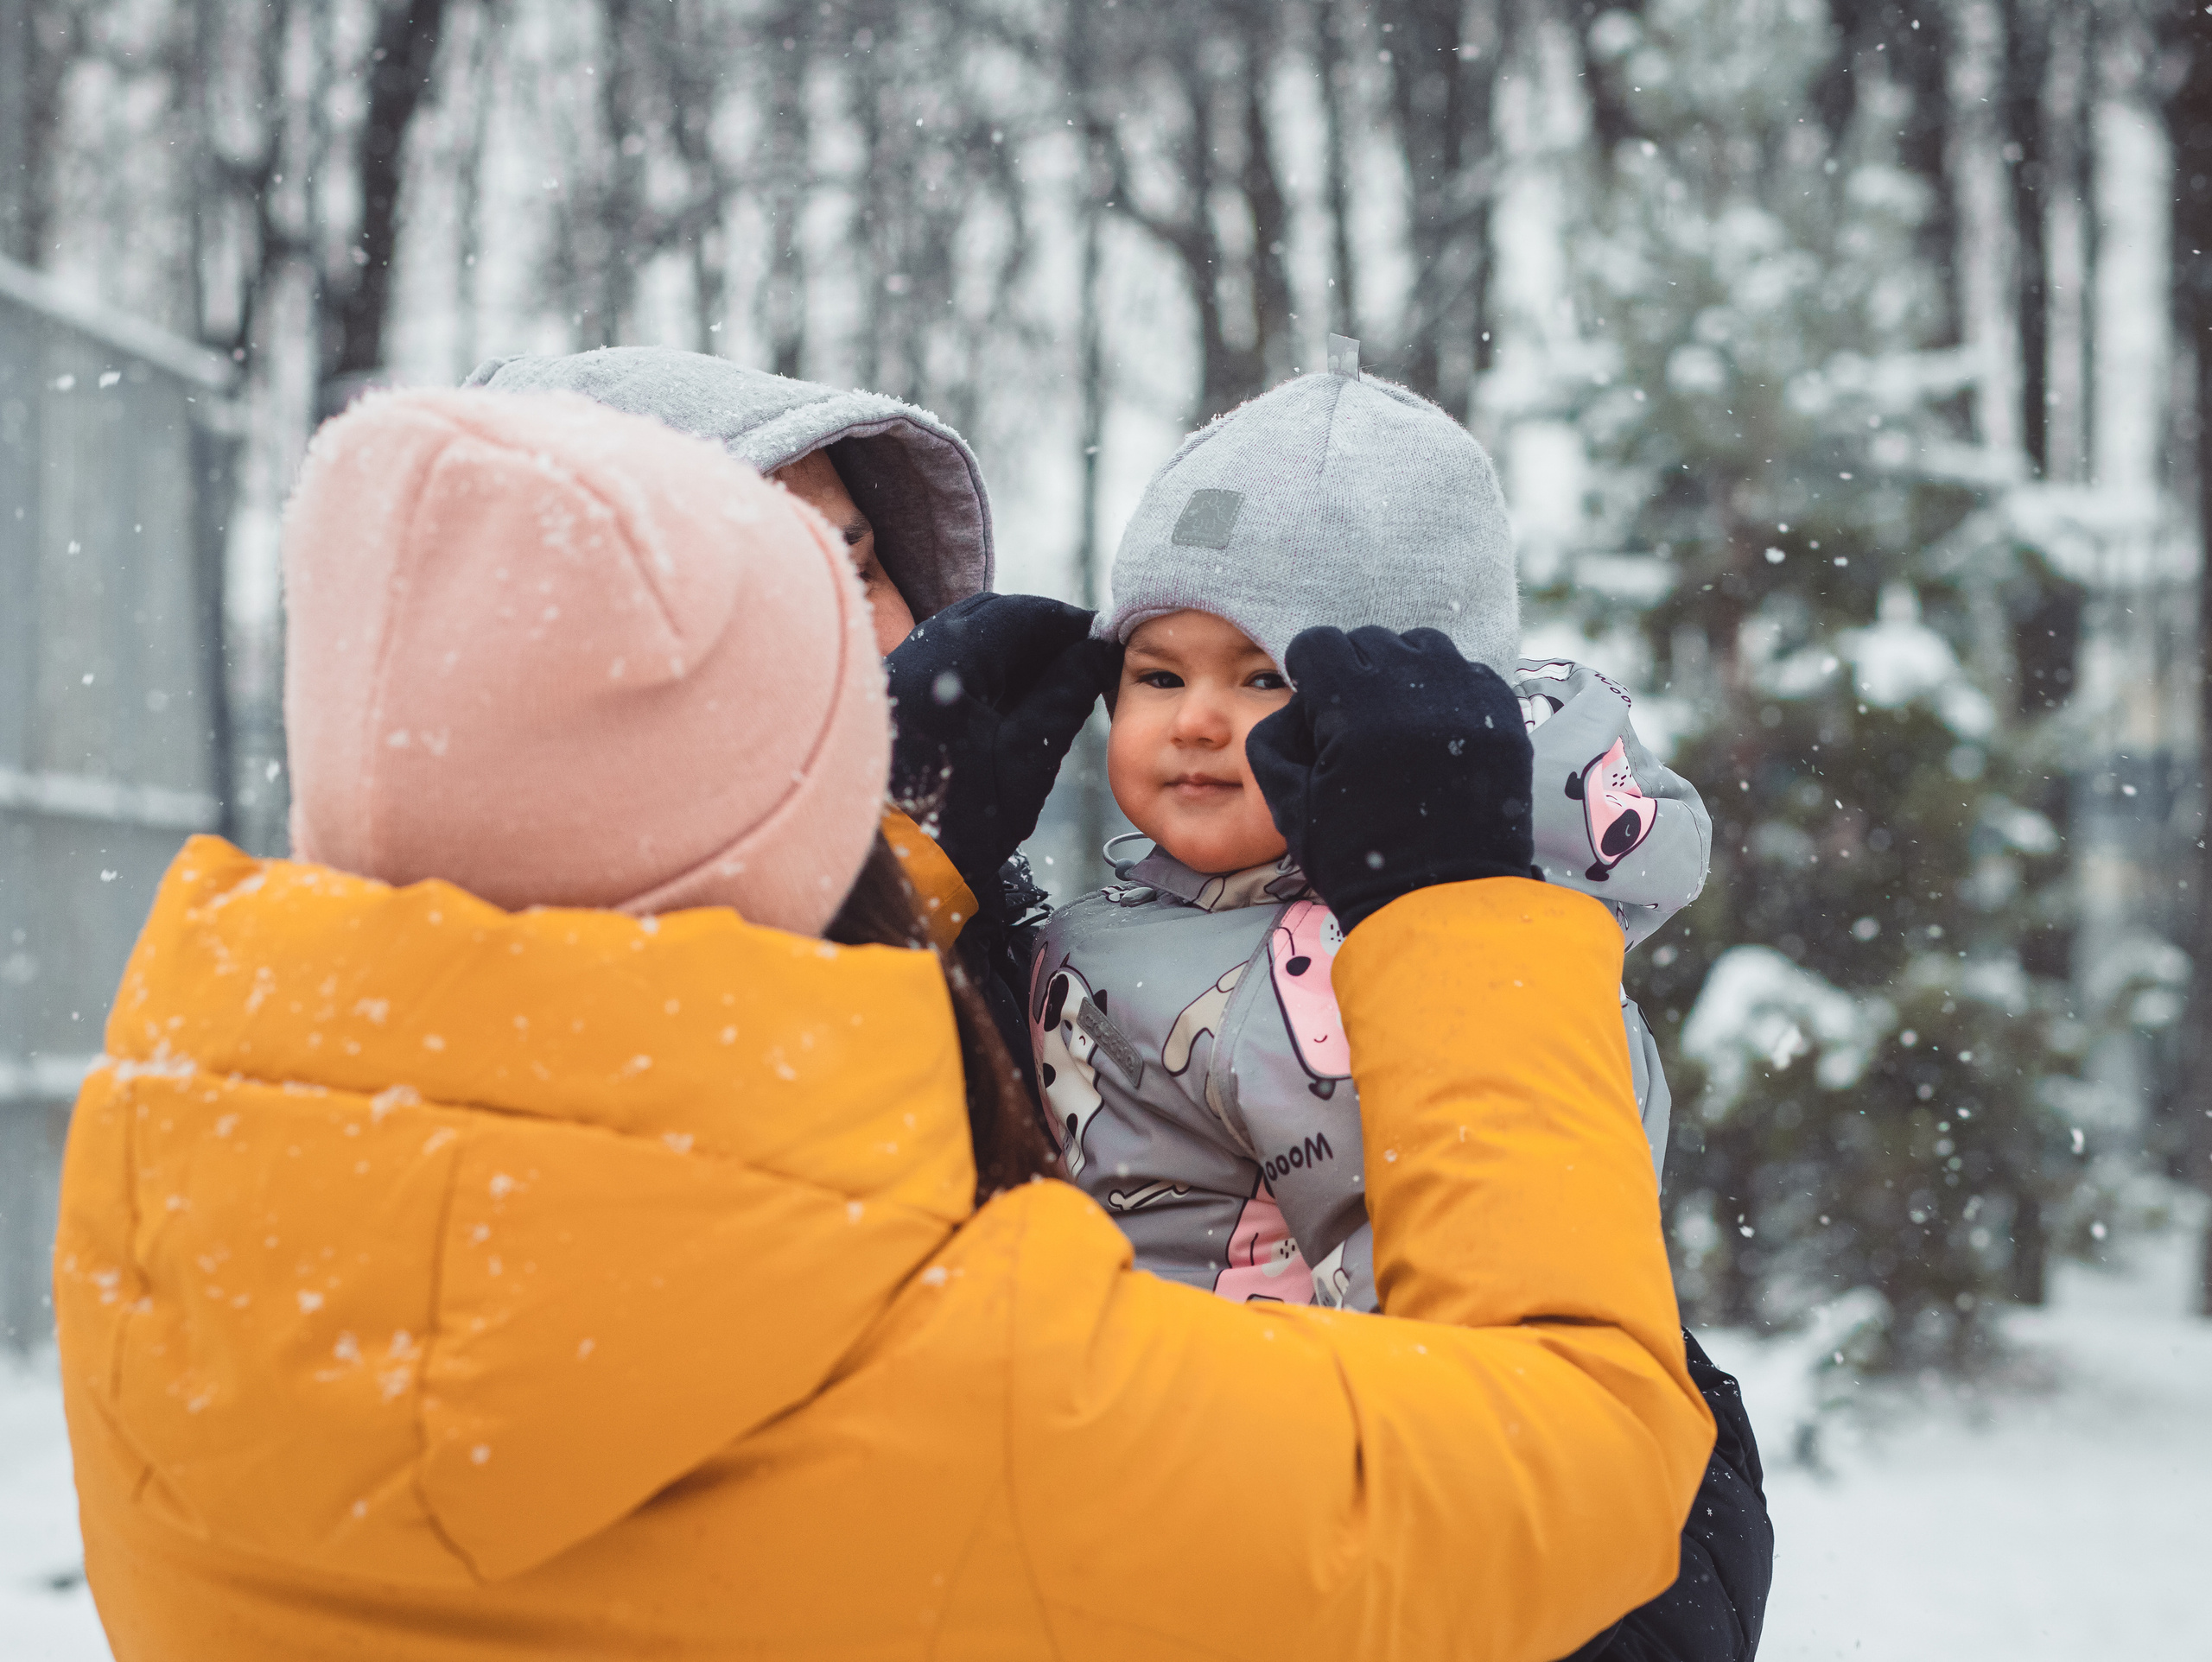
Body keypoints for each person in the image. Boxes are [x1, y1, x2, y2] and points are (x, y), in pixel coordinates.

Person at [54, 387, 1712, 1659]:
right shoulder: (978, 1388)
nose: (887, 633)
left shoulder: (148, 1254)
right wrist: (1454, 914)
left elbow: (609, 1086)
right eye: (815, 579)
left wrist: (890, 871)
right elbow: (1589, 1467)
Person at [1026, 350, 1770, 1659]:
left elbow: (1419, 1262)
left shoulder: (1381, 972)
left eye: (1262, 679)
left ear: (1387, 714)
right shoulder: (1145, 924)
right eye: (1157, 674)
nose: (1199, 721)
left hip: (1293, 1494)